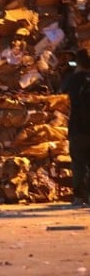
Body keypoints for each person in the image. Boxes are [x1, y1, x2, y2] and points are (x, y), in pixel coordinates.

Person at [63, 48, 90, 207]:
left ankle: (79, 197)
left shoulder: (73, 79)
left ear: (78, 63)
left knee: (78, 163)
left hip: (77, 128)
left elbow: (61, 90)